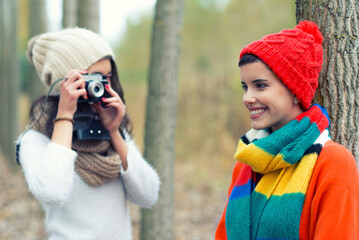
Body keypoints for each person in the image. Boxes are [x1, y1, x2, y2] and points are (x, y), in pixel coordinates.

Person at [215, 21, 359, 240]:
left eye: (260, 85)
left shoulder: (333, 163)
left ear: (294, 90)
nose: (247, 98)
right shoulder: (248, 160)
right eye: (245, 87)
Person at [17, 28, 160, 240]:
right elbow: (52, 192)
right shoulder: (35, 139)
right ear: (64, 81)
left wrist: (115, 132)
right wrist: (65, 116)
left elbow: (149, 195)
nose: (100, 87)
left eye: (107, 78)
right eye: (93, 78)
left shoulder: (112, 131)